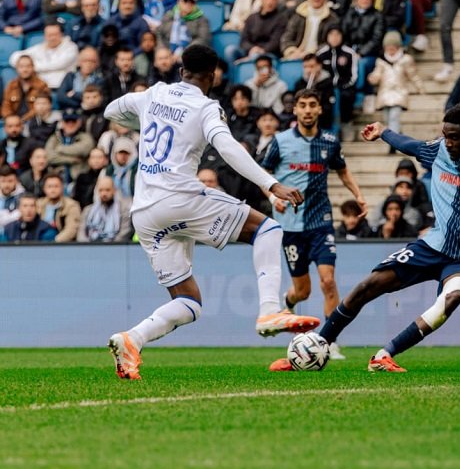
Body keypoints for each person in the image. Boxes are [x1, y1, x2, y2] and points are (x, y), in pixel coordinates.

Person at [100, 44, 314, 380]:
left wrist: (144, 117)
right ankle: (270, 311)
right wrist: (271, 184)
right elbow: (227, 147)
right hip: (179, 198)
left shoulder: (154, 94)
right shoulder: (206, 107)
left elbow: (111, 110)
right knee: (268, 230)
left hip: (145, 214)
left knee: (189, 302)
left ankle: (132, 339)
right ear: (212, 76)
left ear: (181, 71)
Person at [275, 104, 460, 372]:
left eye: (454, 137)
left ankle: (384, 355)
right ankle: (319, 345)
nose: (447, 142)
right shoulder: (440, 150)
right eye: (445, 135)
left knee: (451, 299)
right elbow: (410, 145)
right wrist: (383, 131)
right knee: (369, 285)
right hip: (432, 245)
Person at [260, 89, 366, 362]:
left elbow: (342, 170)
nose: (307, 110)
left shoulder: (329, 141)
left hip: (321, 222)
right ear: (295, 109)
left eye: (312, 105)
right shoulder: (280, 141)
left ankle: (330, 341)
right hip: (290, 226)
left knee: (328, 282)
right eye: (303, 105)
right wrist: (273, 197)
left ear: (320, 109)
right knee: (303, 291)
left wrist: (358, 195)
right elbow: (263, 174)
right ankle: (288, 303)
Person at [368, 31, 421, 133]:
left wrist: (419, 87)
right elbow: (377, 73)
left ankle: (393, 140)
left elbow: (413, 75)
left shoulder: (405, 59)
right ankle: (398, 135)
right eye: (388, 48)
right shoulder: (381, 61)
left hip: (399, 93)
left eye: (393, 48)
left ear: (398, 47)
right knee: (387, 119)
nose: (390, 51)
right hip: (385, 94)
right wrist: (373, 78)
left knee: (394, 117)